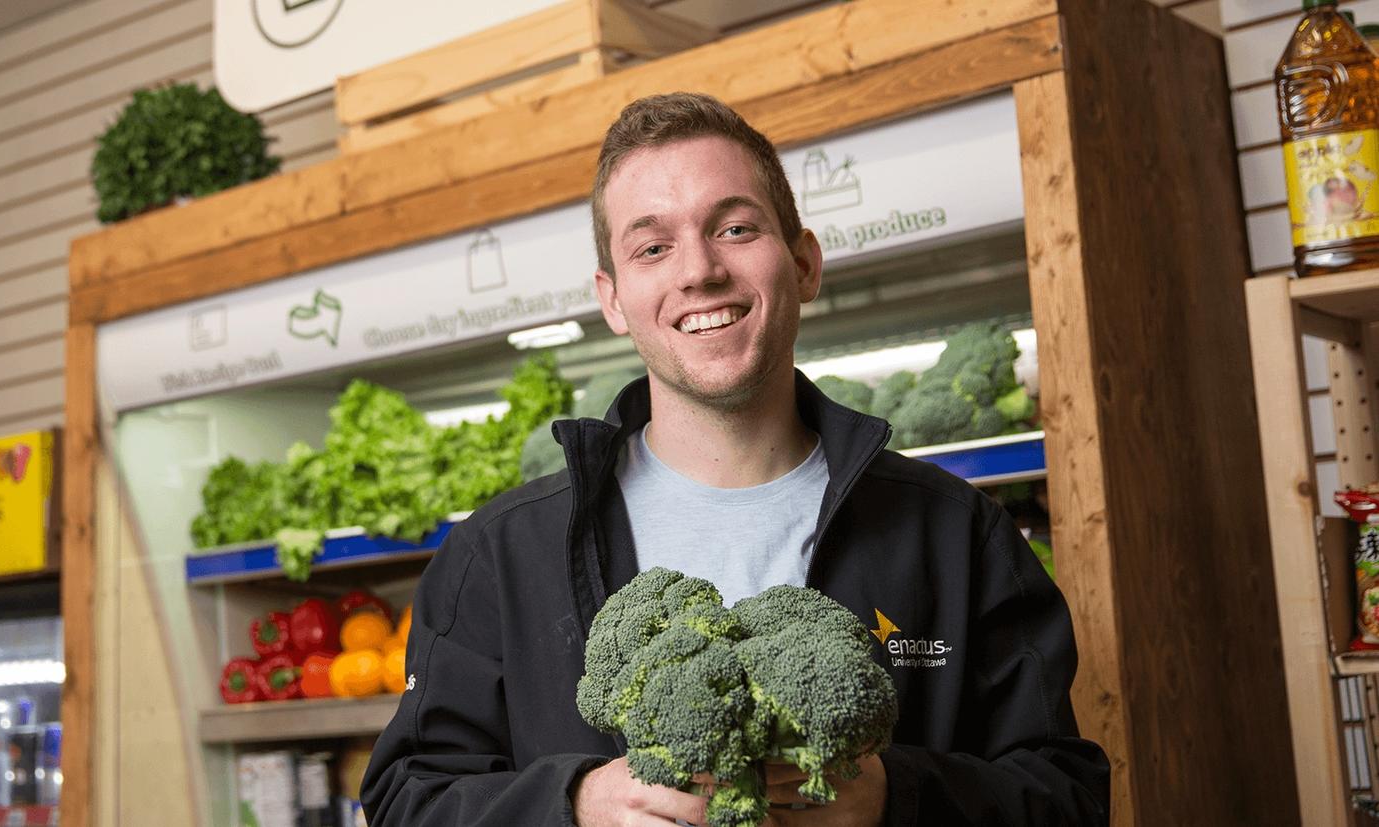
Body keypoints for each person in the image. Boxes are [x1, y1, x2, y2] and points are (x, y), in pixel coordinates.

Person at [361, 92, 1110, 826]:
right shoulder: (497, 556)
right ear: (614, 299)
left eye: (735, 227)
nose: (699, 271)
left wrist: (895, 798)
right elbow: (407, 799)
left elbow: (1069, 796)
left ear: (805, 262)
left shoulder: (953, 533)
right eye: (653, 247)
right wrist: (576, 806)